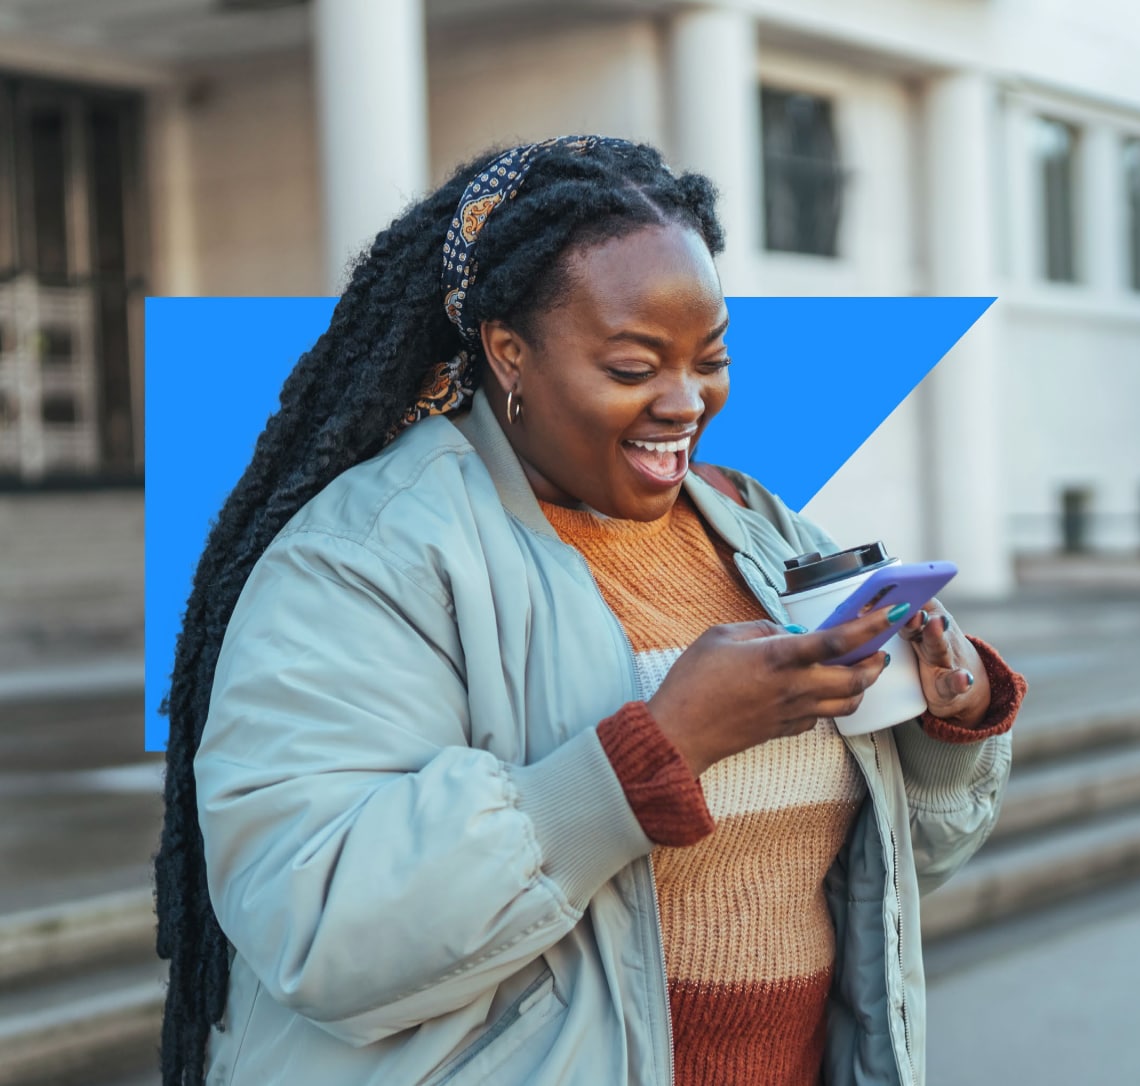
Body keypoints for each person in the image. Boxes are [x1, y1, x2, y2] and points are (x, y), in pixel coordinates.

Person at [155, 135, 1026, 1086]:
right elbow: (317, 924)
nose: (685, 402)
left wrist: (943, 727)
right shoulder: (365, 558)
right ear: (508, 353)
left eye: (712, 358)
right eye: (632, 366)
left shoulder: (758, 526)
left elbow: (876, 878)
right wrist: (652, 756)